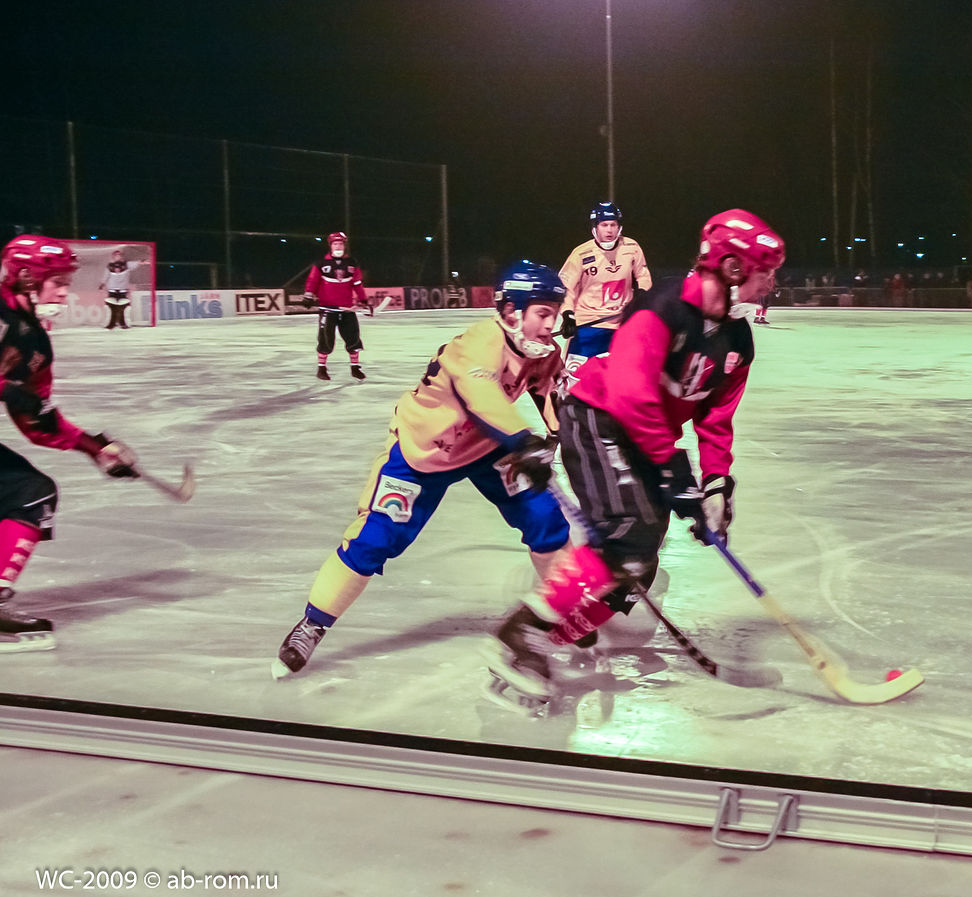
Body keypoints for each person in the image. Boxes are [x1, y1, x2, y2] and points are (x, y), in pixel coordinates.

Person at [485, 209, 785, 710]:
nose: (771, 282)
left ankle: (555, 637)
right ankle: (519, 635)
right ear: (733, 268)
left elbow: (716, 419)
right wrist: (673, 471)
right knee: (627, 534)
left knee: (637, 565)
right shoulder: (662, 309)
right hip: (596, 416)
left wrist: (716, 486)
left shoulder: (738, 340)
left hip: (646, 437)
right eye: (766, 270)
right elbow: (631, 396)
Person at [273, 261, 573, 679]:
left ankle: (559, 612)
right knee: (374, 538)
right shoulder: (479, 343)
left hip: (487, 446)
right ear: (511, 311)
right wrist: (524, 442)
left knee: (545, 518)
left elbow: (552, 394)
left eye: (554, 314)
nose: (551, 325)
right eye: (543, 313)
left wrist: (561, 436)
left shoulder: (542, 350)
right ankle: (313, 623)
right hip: (425, 451)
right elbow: (482, 397)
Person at [0, 236, 141, 651]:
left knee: (32, 493)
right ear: (27, 278)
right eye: (57, 281)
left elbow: (38, 422)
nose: (65, 291)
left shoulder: (35, 342)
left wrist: (94, 448)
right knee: (29, 494)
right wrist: (7, 389)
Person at [557, 202, 652, 375]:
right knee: (574, 377)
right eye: (604, 225)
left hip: (622, 323)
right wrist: (568, 314)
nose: (609, 230)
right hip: (588, 324)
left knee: (623, 376)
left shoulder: (632, 247)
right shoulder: (581, 253)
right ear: (595, 227)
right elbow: (565, 287)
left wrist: (642, 293)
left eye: (613, 225)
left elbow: (643, 275)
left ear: (619, 227)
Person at [303, 232, 371, 381]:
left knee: (353, 338)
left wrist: (363, 300)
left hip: (347, 309)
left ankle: (355, 368)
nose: (338, 246)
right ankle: (321, 368)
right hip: (328, 309)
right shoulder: (321, 263)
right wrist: (308, 295)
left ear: (344, 246)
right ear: (330, 246)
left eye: (340, 244)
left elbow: (357, 284)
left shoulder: (352, 263)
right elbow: (313, 280)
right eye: (335, 244)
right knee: (326, 340)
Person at [99, 248, 144, 329]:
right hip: (112, 290)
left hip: (123, 290)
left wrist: (144, 261)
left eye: (119, 255)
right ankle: (111, 324)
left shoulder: (126, 265)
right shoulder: (110, 266)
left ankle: (123, 323)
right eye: (116, 255)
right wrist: (102, 284)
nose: (118, 257)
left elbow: (138, 263)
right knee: (111, 308)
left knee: (124, 308)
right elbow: (106, 276)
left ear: (121, 257)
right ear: (113, 257)